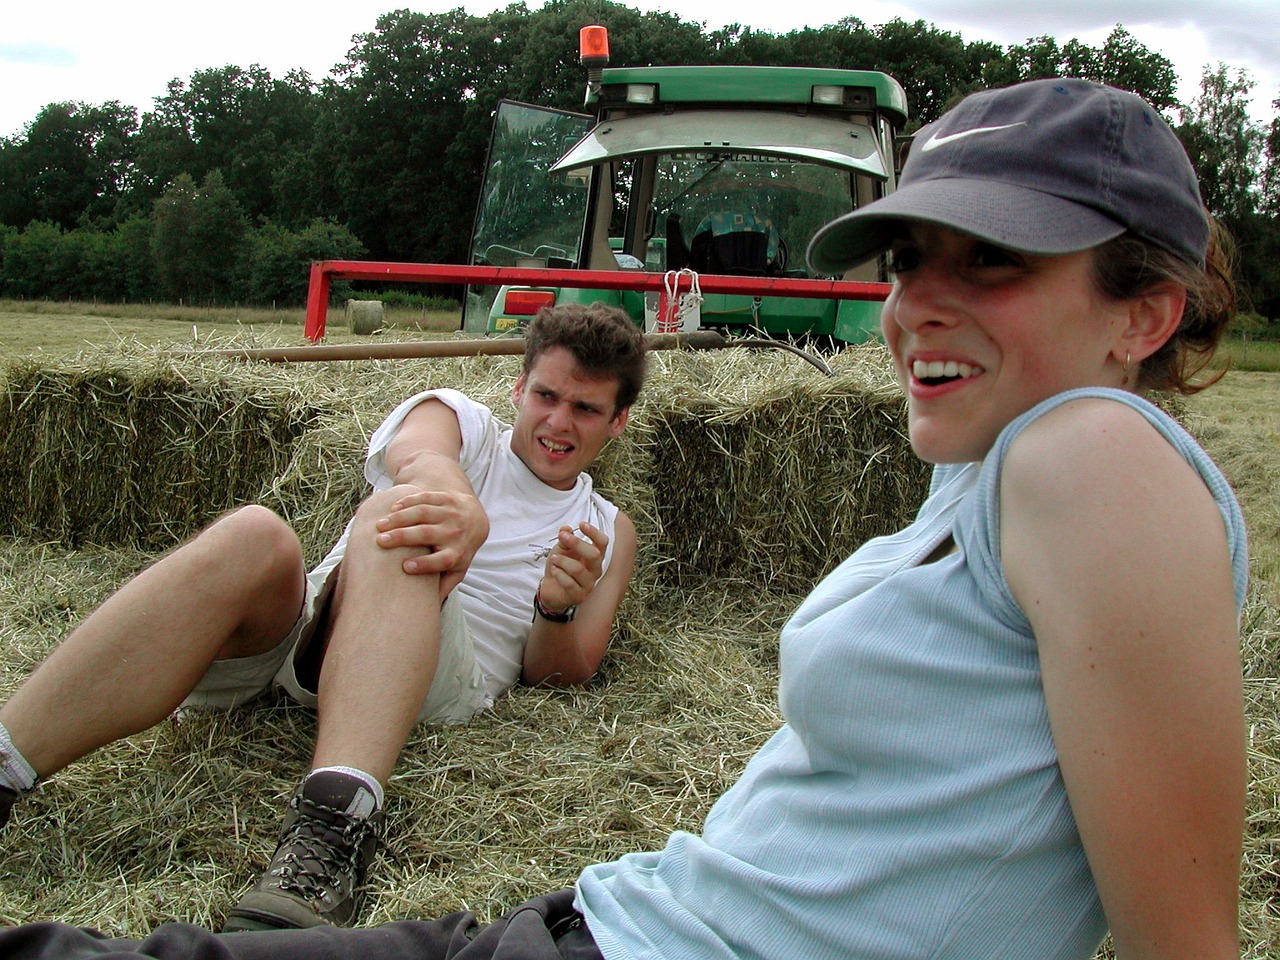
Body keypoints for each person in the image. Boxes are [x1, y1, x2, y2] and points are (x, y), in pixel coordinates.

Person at [0, 77, 1248, 960]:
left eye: (987, 261)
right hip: (587, 890)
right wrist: (438, 492)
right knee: (333, 530)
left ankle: (331, 824)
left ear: (1142, 313)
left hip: (594, 894)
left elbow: (1178, 938)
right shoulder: (987, 474)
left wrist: (550, 599)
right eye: (906, 260)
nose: (915, 303)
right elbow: (421, 441)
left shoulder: (1086, 454)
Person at [0, 301, 647, 933]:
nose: (558, 422)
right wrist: (456, 503)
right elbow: (420, 458)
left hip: (438, 680)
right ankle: (7, 761)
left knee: (404, 531)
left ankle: (332, 831)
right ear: (518, 387)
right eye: (546, 396)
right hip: (322, 630)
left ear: (617, 423)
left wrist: (555, 609)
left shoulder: (606, 528)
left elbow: (563, 674)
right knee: (254, 534)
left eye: (586, 409)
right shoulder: (461, 421)